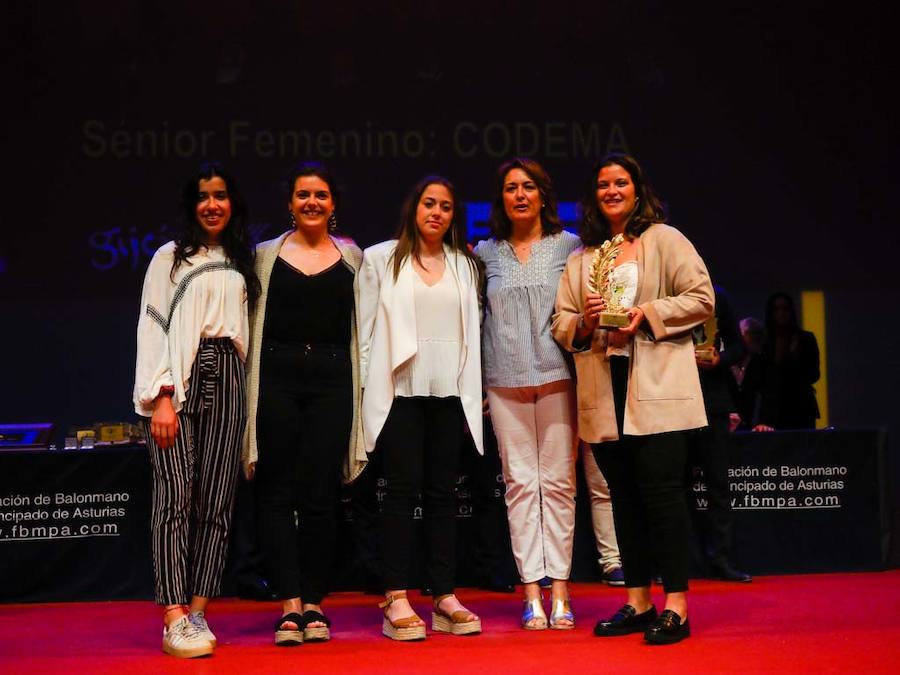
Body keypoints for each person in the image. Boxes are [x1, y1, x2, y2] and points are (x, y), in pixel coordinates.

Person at [552, 153, 714, 645]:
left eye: (621, 182)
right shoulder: (582, 257)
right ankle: (638, 601)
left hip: (658, 388)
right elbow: (561, 322)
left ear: (638, 190)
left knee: (663, 498)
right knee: (623, 500)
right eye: (603, 184)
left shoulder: (664, 239)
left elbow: (701, 296)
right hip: (605, 389)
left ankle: (677, 607)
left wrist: (647, 311)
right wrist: (584, 321)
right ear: (593, 195)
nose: (612, 191)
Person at [133, 162, 260, 658]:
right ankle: (173, 616)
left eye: (222, 195)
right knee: (174, 498)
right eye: (204, 196)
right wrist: (162, 395)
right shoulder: (169, 258)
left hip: (229, 374)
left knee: (216, 501)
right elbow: (153, 325)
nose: (213, 204)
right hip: (181, 382)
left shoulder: (240, 259)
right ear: (192, 204)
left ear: (233, 203)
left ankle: (200, 609)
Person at [241, 162, 366, 646]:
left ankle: (314, 601)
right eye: (302, 195)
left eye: (320, 195)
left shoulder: (353, 257)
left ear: (333, 204)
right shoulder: (263, 256)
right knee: (274, 491)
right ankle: (289, 603)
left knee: (320, 492)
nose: (311, 202)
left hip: (333, 382)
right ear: (290, 204)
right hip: (275, 380)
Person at [357, 176, 484, 640]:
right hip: (400, 395)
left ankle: (444, 595)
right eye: (429, 203)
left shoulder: (465, 265)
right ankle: (395, 595)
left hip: (448, 393)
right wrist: (366, 398)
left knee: (443, 496)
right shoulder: (380, 258)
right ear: (414, 208)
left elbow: (471, 331)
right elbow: (366, 335)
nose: (437, 212)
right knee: (401, 492)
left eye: (446, 206)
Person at [474, 158, 581, 630]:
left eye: (528, 187)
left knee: (558, 483)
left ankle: (561, 591)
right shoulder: (485, 253)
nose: (519, 195)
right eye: (511, 188)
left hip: (559, 376)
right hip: (503, 380)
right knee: (520, 486)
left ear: (543, 195)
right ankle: (531, 593)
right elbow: (476, 320)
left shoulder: (570, 247)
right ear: (501, 199)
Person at [688, 285, 752, 582]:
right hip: (673, 403)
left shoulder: (717, 297)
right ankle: (680, 561)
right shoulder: (662, 295)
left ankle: (720, 560)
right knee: (675, 488)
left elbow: (739, 347)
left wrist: (720, 360)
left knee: (718, 484)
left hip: (713, 401)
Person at [757, 292, 821, 429]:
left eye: (785, 309)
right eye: (777, 309)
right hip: (773, 410)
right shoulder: (764, 342)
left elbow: (815, 374)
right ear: (771, 313)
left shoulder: (806, 339)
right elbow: (760, 379)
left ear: (791, 311)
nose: (781, 313)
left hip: (801, 407)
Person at [580, 442, 624, 585]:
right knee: (602, 490)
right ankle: (611, 562)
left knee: (643, 489)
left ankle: (647, 562)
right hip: (595, 424)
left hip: (635, 424)